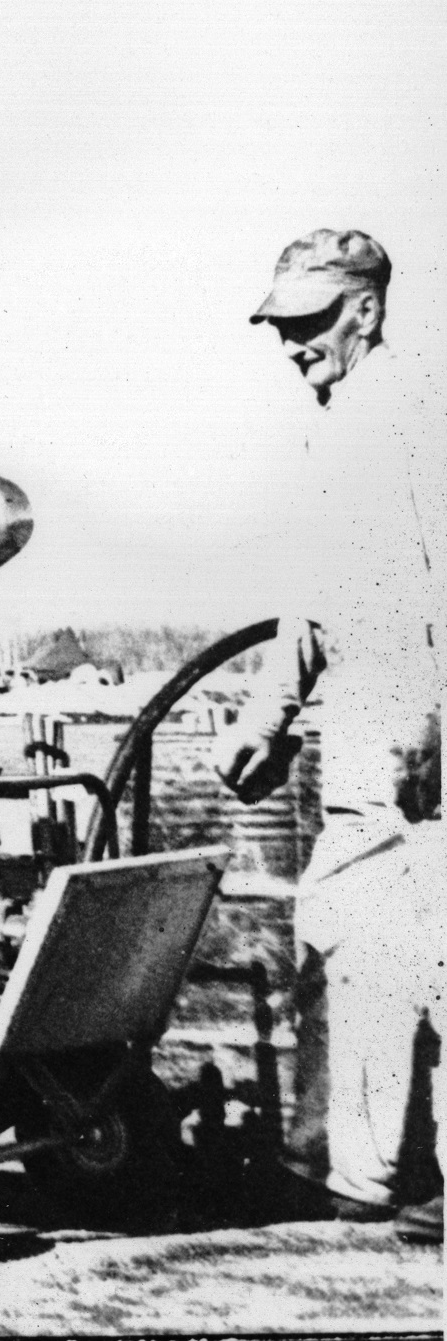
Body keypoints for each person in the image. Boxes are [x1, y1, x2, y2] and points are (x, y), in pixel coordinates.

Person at [221, 229, 441, 1244]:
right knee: (379, 937)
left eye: (308, 323)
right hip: (373, 710)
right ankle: (367, 1165)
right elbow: (314, 595)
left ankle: (350, 1171)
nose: (291, 344)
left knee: (358, 936)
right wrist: (272, 710)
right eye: (281, 326)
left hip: (403, 713)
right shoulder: (348, 417)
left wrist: (436, 711)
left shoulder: (402, 409)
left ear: (364, 309)